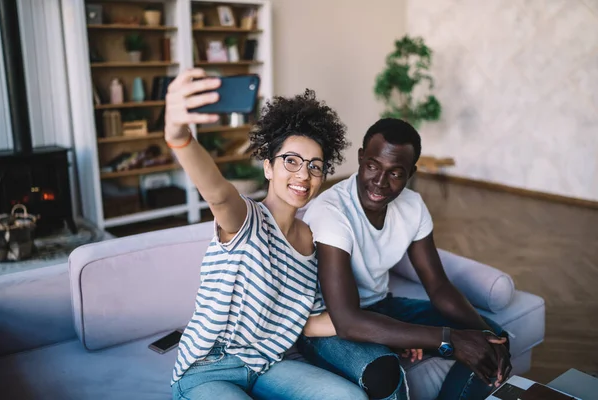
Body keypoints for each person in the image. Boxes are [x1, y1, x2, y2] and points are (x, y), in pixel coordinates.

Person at [164, 69, 367, 400]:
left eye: (315, 166)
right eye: (291, 161)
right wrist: (178, 135)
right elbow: (216, 192)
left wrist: (395, 333)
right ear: (268, 167)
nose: (304, 174)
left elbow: (309, 323)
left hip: (267, 365)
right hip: (206, 369)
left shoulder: (313, 243)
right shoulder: (246, 218)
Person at [298, 118, 511, 400]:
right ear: (361, 158)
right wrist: (449, 338)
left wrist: (483, 334)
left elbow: (438, 286)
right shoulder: (332, 211)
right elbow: (348, 321)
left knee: (495, 341)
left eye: (396, 173)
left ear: (411, 172)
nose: (380, 182)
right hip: (329, 324)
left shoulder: (413, 206)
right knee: (383, 373)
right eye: (373, 166)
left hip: (381, 307)